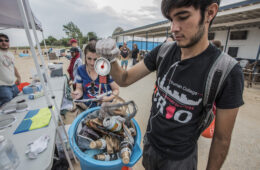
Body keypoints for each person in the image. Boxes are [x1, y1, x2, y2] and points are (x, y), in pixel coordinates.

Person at [95, 0, 244, 169]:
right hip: (150, 147)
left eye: (182, 17)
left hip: (180, 160)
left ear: (210, 12)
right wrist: (112, 58)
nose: (173, 28)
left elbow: (221, 139)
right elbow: (125, 79)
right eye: (171, 20)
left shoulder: (226, 71)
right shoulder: (163, 52)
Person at [71, 42, 119, 108]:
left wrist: (109, 98)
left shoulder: (105, 70)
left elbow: (116, 89)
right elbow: (79, 88)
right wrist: (77, 94)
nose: (92, 63)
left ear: (100, 58)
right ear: (85, 57)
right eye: (89, 58)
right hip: (87, 108)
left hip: (105, 107)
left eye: (95, 59)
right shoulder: (81, 70)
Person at [0, 33, 21, 107]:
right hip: (2, 87)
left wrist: (18, 77)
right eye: (1, 40)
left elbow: (13, 67)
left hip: (13, 85)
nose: (4, 42)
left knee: (18, 105)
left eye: (6, 40)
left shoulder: (10, 54)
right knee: (7, 108)